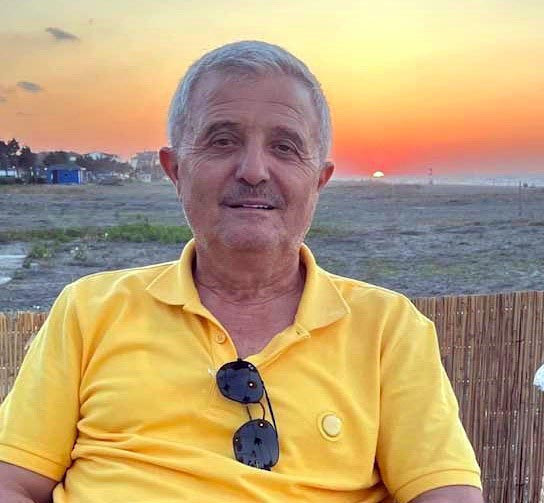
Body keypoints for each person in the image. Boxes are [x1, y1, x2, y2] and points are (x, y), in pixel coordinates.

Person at [0, 41, 484, 502]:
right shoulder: (89, 310)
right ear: (175, 169)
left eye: (285, 147)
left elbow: (446, 492)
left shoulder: (388, 328)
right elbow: (11, 481)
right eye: (223, 141)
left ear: (319, 180)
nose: (253, 170)